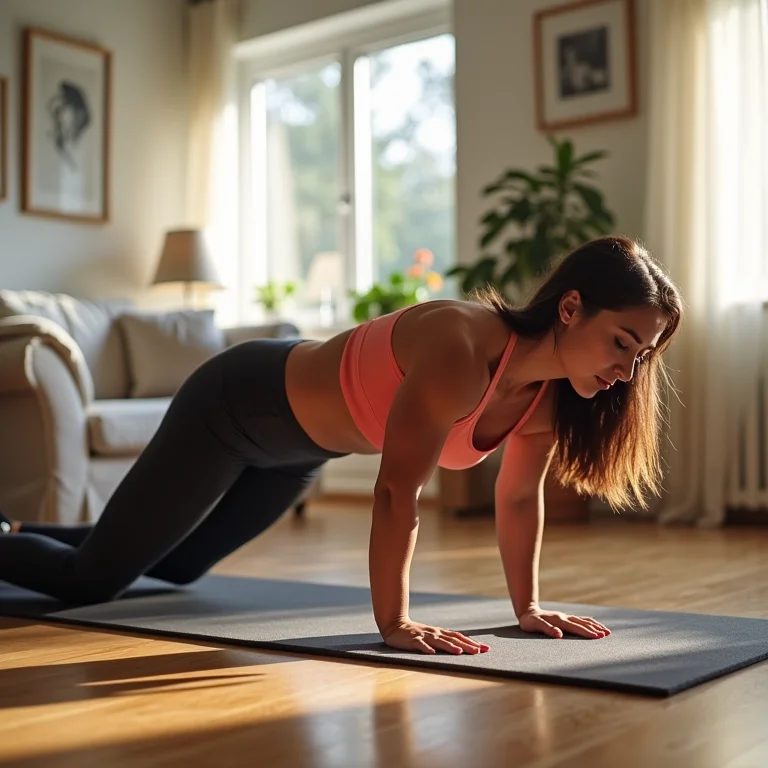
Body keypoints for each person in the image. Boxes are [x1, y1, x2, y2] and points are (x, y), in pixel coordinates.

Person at [0, 235, 683, 656]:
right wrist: (395, 622)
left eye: (641, 355)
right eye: (621, 343)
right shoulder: (461, 346)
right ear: (570, 308)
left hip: (298, 455)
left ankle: (28, 533)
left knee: (176, 567)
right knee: (93, 581)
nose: (628, 371)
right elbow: (396, 492)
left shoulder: (546, 399)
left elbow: (518, 500)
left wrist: (527, 609)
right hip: (235, 405)